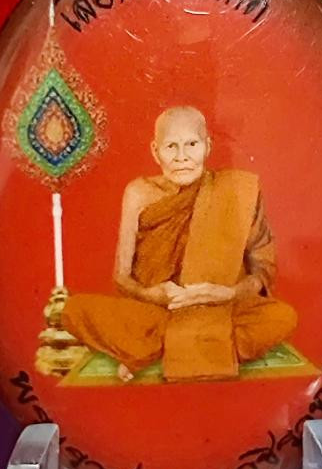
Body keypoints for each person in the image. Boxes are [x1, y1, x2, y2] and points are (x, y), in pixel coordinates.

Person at [62, 106, 297, 382]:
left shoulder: (237, 189)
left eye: (192, 144)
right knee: (74, 310)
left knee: (282, 316)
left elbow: (261, 272)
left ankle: (155, 349)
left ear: (207, 146)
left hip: (217, 308)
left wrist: (226, 293)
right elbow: (121, 278)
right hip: (157, 310)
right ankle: (197, 347)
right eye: (171, 146)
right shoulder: (138, 193)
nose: (182, 157)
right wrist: (153, 295)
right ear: (155, 151)